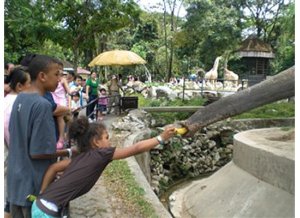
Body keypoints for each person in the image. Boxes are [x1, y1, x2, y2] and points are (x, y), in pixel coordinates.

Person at [31, 116, 176, 217]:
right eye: (106, 137)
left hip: (40, 205)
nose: (109, 140)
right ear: (96, 142)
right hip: (48, 212)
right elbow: (136, 148)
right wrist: (161, 138)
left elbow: (53, 168)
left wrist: (42, 192)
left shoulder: (80, 157)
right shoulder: (102, 154)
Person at [6, 54, 75, 218]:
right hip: (33, 187)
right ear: (42, 76)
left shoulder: (19, 98)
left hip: (16, 184)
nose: (60, 79)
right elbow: (39, 152)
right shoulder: (42, 105)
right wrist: (69, 153)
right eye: (57, 74)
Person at [4, 66, 31, 218]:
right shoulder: (18, 104)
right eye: (30, 84)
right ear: (20, 86)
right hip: (16, 160)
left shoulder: (6, 100)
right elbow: (11, 134)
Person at [51, 67, 72, 149]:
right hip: (53, 99)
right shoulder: (53, 80)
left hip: (61, 100)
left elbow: (68, 91)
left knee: (60, 117)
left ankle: (61, 138)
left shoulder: (63, 80)